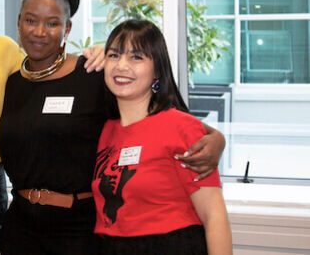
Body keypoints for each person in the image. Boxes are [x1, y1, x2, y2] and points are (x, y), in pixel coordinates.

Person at [0, 0, 226, 254]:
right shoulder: (11, 83)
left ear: (67, 28)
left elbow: (156, 117)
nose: (39, 31)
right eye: (30, 20)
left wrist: (216, 138)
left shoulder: (92, 75)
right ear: (18, 22)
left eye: (52, 23)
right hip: (21, 228)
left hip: (79, 231)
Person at [92, 19, 232, 255]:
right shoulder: (105, 130)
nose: (121, 66)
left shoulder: (181, 127)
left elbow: (214, 216)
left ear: (157, 69)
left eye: (136, 57)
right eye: (114, 56)